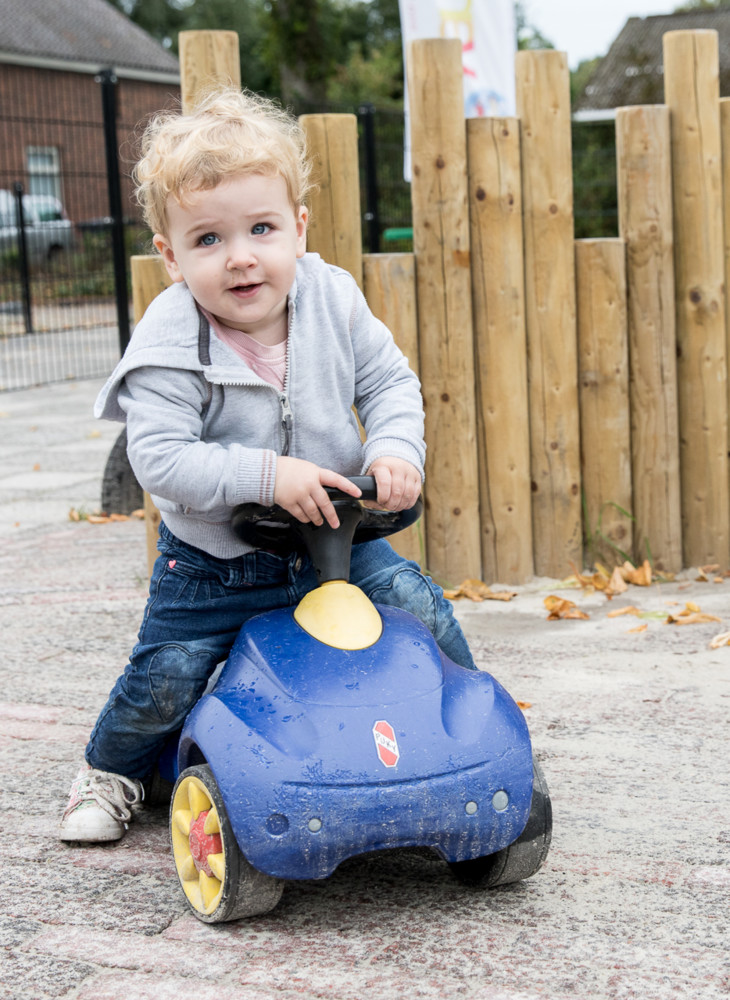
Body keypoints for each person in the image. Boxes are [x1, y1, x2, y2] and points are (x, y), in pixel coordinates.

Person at [59, 87, 476, 843]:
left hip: (341, 543)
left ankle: (457, 740)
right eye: (209, 240)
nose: (242, 256)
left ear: (298, 227)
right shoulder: (171, 337)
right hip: (215, 564)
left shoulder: (332, 298)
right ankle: (112, 771)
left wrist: (394, 449)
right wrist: (265, 475)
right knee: (170, 675)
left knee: (421, 611)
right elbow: (159, 457)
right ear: (171, 256)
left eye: (261, 228)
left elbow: (389, 383)